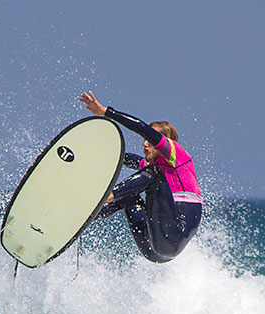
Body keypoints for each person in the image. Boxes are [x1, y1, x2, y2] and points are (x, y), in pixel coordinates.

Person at [79, 91, 202, 263]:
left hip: (174, 237)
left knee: (154, 174)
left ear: (164, 141)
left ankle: (104, 197)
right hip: (154, 251)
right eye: (145, 139)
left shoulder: (177, 155)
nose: (144, 143)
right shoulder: (153, 165)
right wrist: (97, 154)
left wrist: (106, 112)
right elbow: (127, 159)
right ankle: (83, 216)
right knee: (130, 196)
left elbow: (141, 127)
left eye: (149, 140)